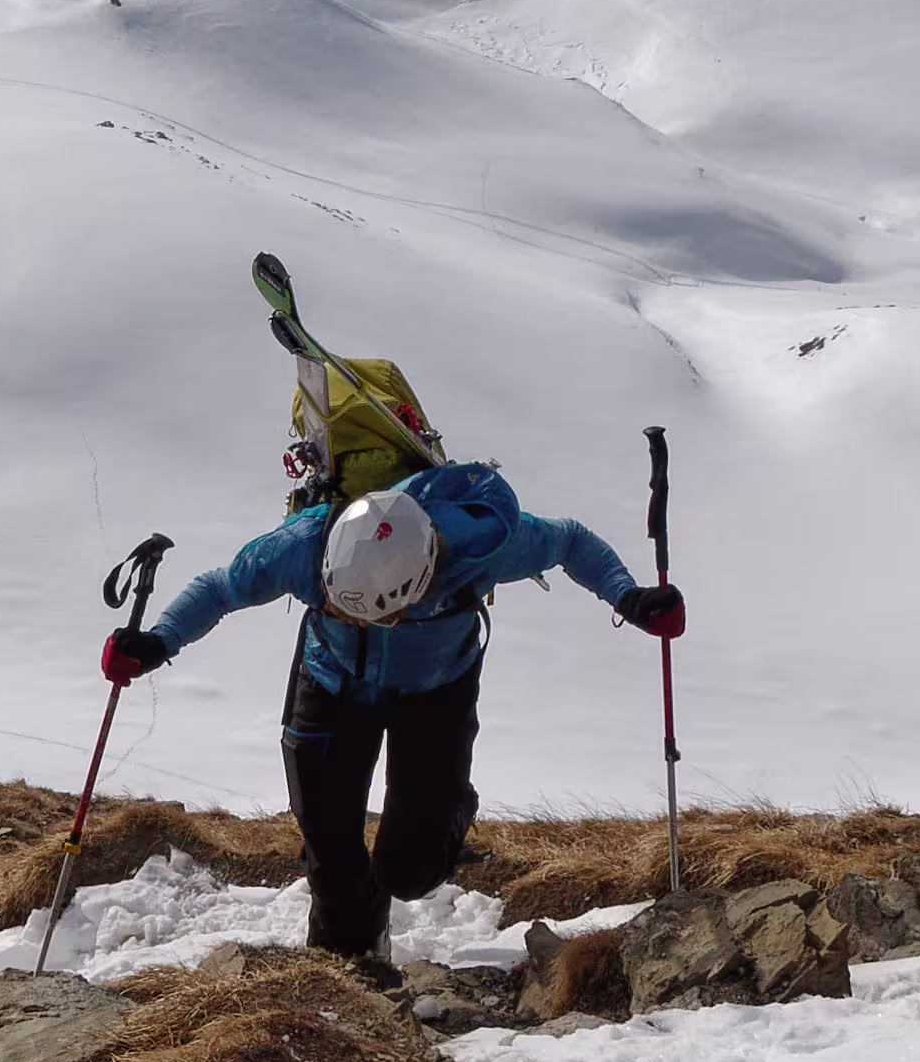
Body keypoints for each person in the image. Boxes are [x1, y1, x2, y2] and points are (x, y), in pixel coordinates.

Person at [108, 393, 681, 990]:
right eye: (336, 606)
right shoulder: (305, 543)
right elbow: (222, 587)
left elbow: (568, 540)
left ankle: (451, 809)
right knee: (331, 856)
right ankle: (347, 983)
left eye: (369, 616)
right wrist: (155, 643)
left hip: (435, 693)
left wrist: (630, 598)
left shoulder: (483, 543)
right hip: (330, 686)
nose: (349, 617)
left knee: (409, 869)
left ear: (418, 580)